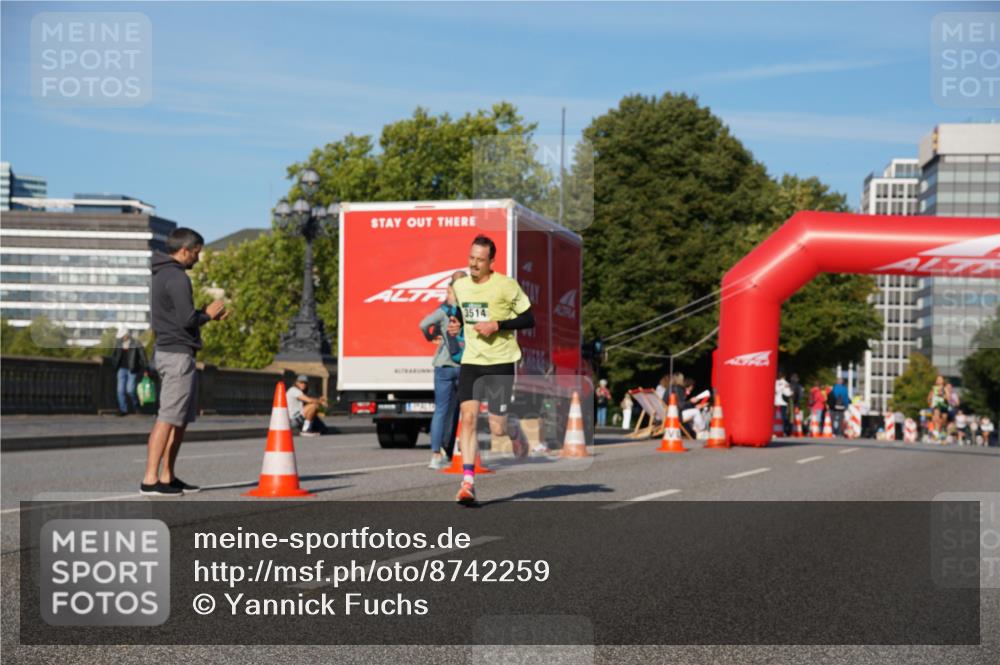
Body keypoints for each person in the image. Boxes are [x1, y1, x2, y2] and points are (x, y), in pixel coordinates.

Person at [447, 235, 535, 505]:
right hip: (472, 360)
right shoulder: (460, 286)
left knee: (497, 427)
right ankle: (468, 483)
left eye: (479, 260)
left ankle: (514, 430)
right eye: (471, 258)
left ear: (491, 262)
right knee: (469, 417)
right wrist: (456, 324)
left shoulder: (506, 286)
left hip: (500, 360)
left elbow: (529, 318)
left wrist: (497, 325)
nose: (473, 264)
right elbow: (464, 313)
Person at [140, 228, 228, 497]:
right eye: (197, 253)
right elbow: (186, 320)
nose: (198, 259)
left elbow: (182, 317)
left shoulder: (162, 274)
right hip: (177, 355)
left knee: (179, 420)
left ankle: (167, 476)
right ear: (185, 250)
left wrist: (202, 316)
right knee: (167, 418)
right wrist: (209, 315)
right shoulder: (177, 277)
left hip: (174, 352)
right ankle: (150, 479)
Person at [419, 271, 467, 469]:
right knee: (462, 411)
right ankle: (459, 451)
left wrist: (430, 337)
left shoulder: (444, 311)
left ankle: (436, 456)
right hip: (464, 365)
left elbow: (423, 324)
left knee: (441, 410)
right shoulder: (470, 309)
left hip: (444, 366)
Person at [110, 325, 148, 416]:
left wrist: (145, 369)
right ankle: (123, 410)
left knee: (130, 390)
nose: (122, 338)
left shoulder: (136, 343)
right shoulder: (118, 343)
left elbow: (143, 357)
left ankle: (136, 406)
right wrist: (114, 364)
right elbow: (114, 355)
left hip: (132, 369)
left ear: (127, 334)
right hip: (121, 369)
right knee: (120, 391)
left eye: (123, 336)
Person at [927, 375, 949, 441]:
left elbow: (948, 398)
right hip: (936, 405)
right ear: (936, 381)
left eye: (940, 379)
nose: (939, 380)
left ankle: (941, 431)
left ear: (943, 381)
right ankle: (936, 434)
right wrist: (930, 402)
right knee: (936, 418)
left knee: (943, 419)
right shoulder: (933, 388)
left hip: (944, 405)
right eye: (938, 379)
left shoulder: (945, 388)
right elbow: (929, 398)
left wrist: (942, 395)